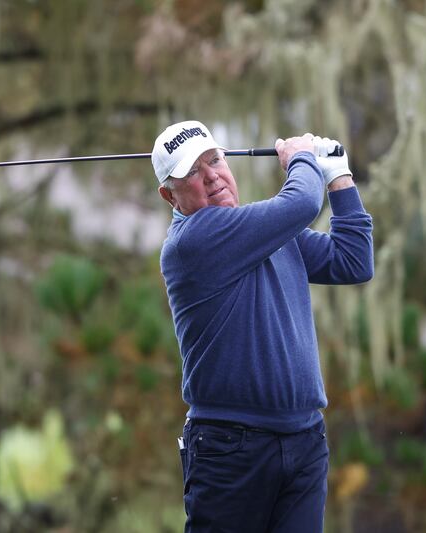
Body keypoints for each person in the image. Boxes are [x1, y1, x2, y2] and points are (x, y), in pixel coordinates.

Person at [151, 120, 374, 532]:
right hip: (231, 449)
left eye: (214, 159)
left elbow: (353, 261)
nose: (212, 176)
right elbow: (302, 203)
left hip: (304, 440)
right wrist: (303, 157)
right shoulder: (192, 242)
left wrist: (339, 175)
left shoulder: (263, 231)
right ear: (170, 195)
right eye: (192, 173)